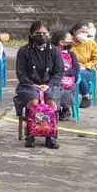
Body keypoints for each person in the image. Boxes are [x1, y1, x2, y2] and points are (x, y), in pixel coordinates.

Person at [15, 20, 65, 148]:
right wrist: (33, 85)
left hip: (51, 84)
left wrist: (49, 85)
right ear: (31, 34)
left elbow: (59, 72)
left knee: (51, 101)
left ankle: (51, 136)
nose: (41, 35)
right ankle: (30, 134)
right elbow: (20, 73)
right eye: (38, 33)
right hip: (29, 85)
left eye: (44, 33)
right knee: (33, 101)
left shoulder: (55, 51)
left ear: (49, 34)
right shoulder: (23, 51)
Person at [52, 30, 80, 121]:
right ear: (61, 42)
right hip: (54, 80)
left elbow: (76, 69)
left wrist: (63, 73)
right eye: (69, 39)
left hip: (67, 82)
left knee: (66, 91)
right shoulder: (50, 53)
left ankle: (65, 109)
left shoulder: (71, 54)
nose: (72, 40)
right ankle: (52, 109)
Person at [71, 22, 97, 108]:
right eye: (81, 31)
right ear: (75, 32)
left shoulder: (91, 44)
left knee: (79, 74)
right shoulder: (69, 43)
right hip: (70, 68)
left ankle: (86, 96)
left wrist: (86, 66)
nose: (84, 34)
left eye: (85, 32)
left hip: (87, 70)